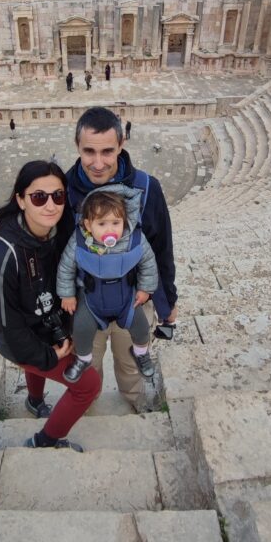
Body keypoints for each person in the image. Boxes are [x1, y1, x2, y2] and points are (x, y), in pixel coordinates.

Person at [61, 107, 177, 411]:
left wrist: (169, 302)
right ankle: (88, 406)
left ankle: (135, 402)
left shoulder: (146, 188)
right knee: (89, 363)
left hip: (133, 299)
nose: (98, 163)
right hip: (88, 302)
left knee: (130, 363)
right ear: (77, 147)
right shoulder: (62, 190)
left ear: (121, 145)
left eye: (107, 151)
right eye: (89, 151)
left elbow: (162, 247)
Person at [0, 160, 100, 450]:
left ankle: (34, 400)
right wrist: (46, 356)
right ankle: (44, 440)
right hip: (18, 337)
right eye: (39, 197)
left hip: (47, 321)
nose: (51, 205)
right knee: (88, 385)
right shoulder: (1, 257)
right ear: (21, 200)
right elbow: (10, 327)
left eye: (58, 196)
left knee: (43, 366)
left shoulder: (59, 230)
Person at [57, 188, 158, 383]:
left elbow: (148, 263)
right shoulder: (79, 241)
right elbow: (65, 268)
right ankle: (83, 358)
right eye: (102, 224)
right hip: (91, 299)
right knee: (81, 327)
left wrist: (146, 288)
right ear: (88, 224)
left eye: (116, 223)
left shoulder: (134, 239)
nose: (110, 230)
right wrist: (67, 294)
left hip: (126, 299)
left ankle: (141, 352)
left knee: (141, 326)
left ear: (125, 221)